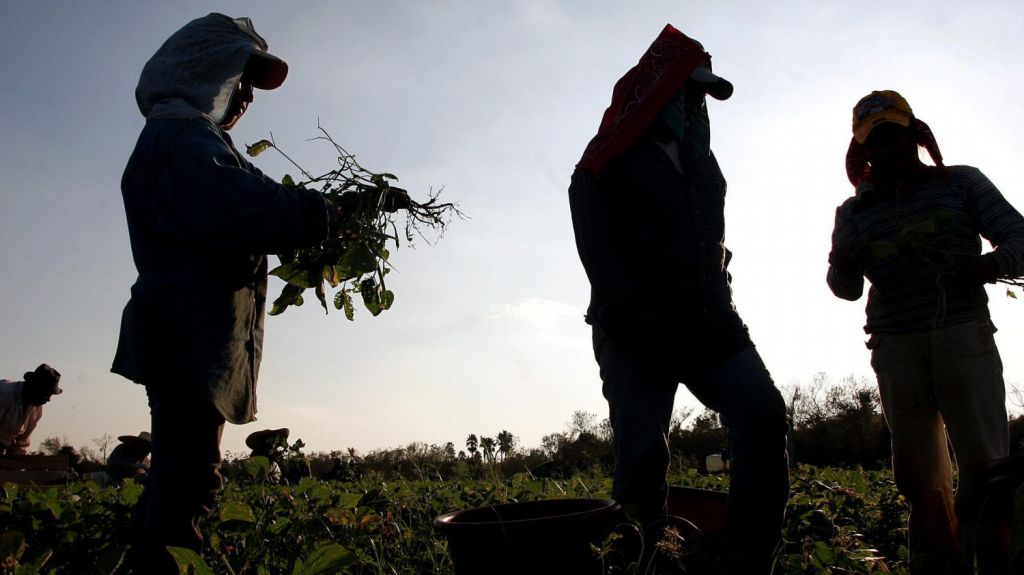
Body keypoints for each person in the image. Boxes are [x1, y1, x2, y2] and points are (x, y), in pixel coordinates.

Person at [110, 13, 358, 573]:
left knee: (177, 472)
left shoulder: (196, 141)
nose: (246, 96)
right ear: (204, 70)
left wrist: (315, 214)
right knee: (189, 478)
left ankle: (142, 561)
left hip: (190, 334)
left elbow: (250, 199)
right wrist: (324, 212)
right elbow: (246, 208)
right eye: (240, 78)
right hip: (187, 334)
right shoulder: (181, 140)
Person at [567, 24, 789, 573]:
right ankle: (639, 559)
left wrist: (715, 272)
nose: (693, 105)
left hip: (711, 322)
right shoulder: (602, 165)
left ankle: (744, 555)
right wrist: (646, 329)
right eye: (685, 93)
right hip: (635, 328)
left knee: (762, 413)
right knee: (643, 454)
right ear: (657, 91)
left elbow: (708, 236)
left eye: (698, 97)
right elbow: (605, 265)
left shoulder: (700, 161)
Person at [827, 90, 1024, 574]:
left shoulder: (961, 183)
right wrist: (843, 261)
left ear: (914, 135)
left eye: (893, 135)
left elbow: (1019, 239)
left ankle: (995, 563)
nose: (885, 148)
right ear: (862, 149)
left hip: (962, 335)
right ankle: (938, 565)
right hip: (895, 347)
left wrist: (984, 267)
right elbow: (845, 289)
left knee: (987, 470)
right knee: (919, 478)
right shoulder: (853, 212)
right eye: (874, 141)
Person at [0, 364, 62, 455]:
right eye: (46, 393)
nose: (49, 399)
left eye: (50, 394)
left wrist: (17, 461)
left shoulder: (37, 410)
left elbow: (21, 444)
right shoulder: (3, 394)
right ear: (34, 387)